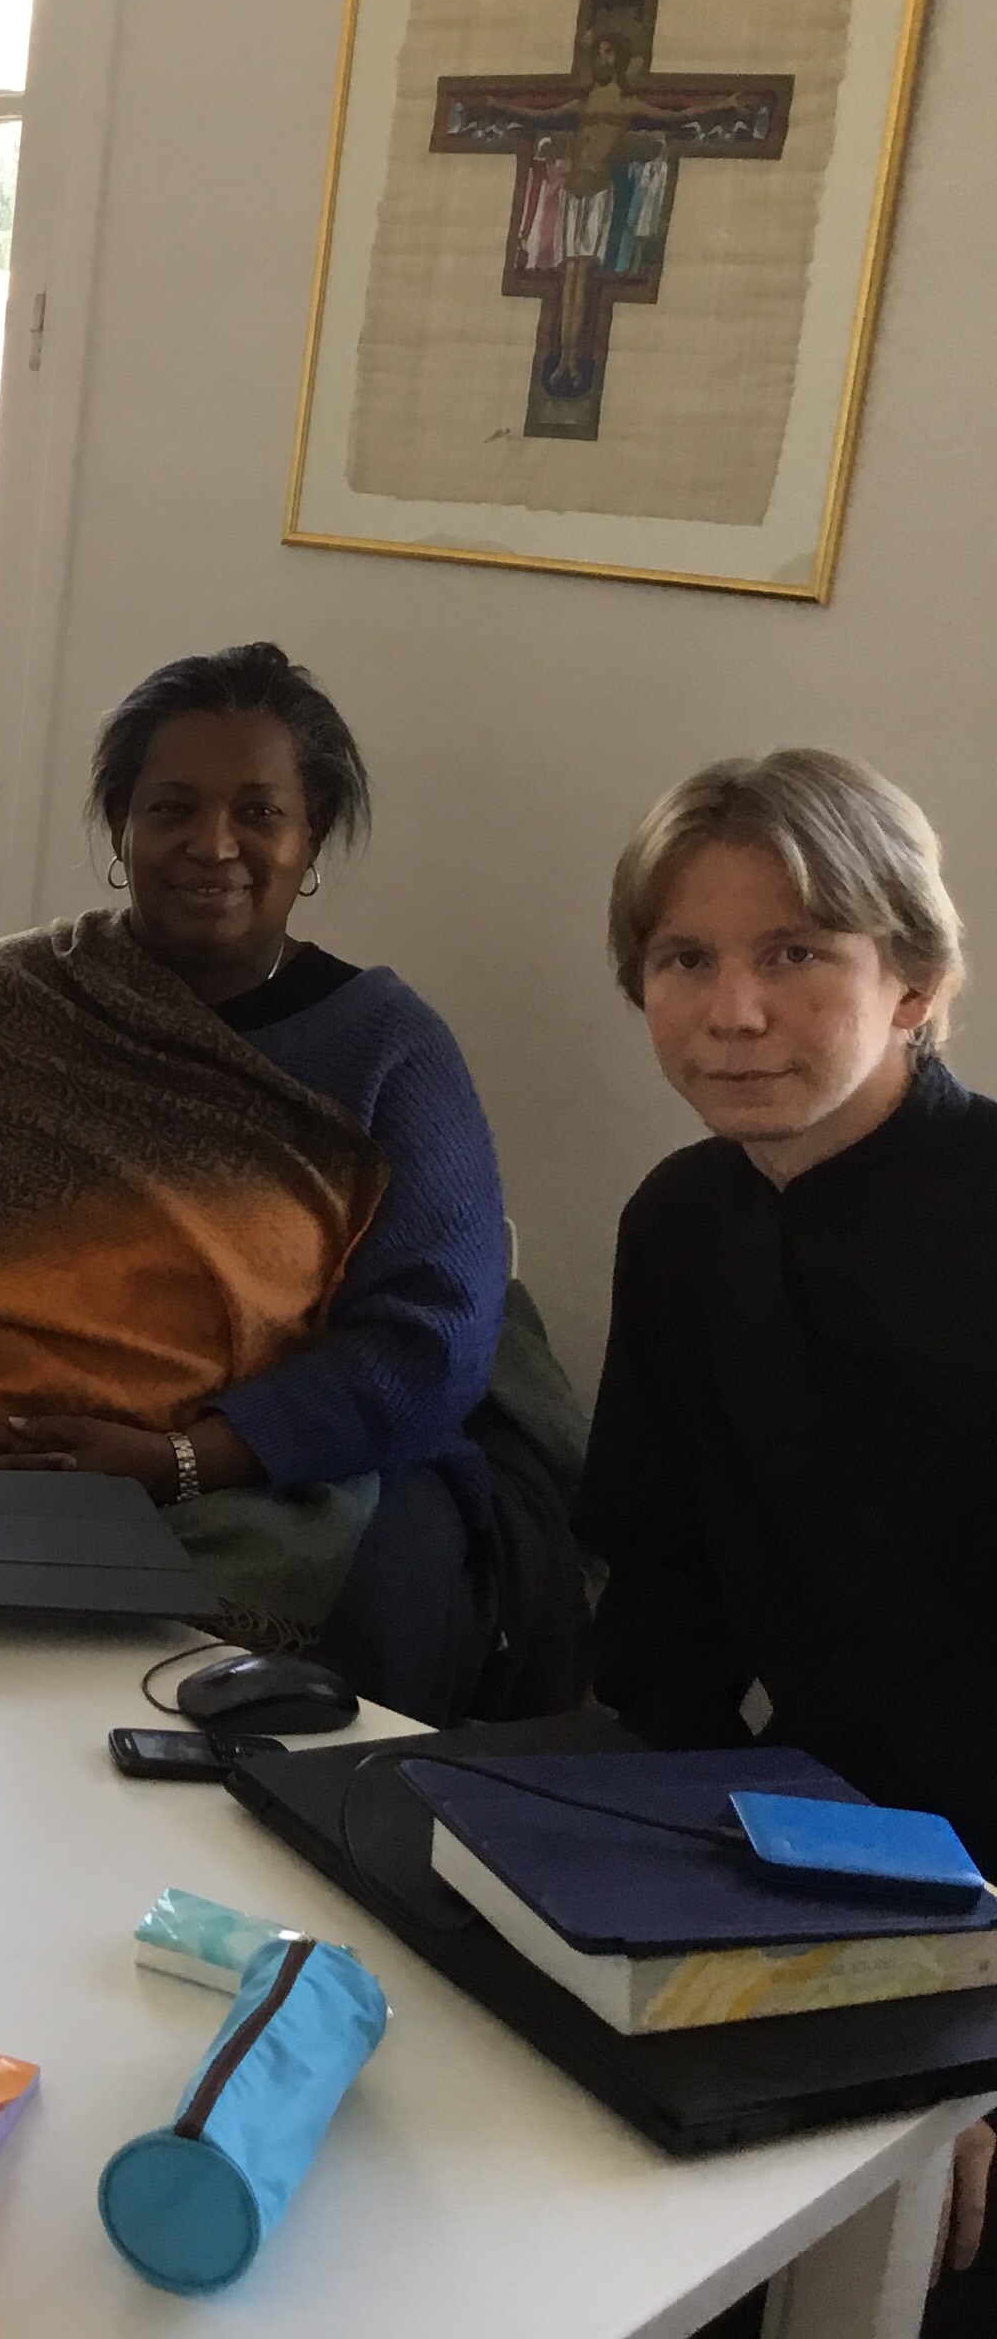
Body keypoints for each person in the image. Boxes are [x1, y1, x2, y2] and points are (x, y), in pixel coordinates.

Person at [0, 644, 521, 1720]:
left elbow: (434, 1342)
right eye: (172, 809)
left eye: (260, 813)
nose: (214, 846)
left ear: (312, 840)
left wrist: (182, 1459)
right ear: (121, 828)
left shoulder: (389, 1053)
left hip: (230, 1497)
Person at [578, 751, 994, 2324]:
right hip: (799, 1860)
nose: (732, 1012)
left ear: (919, 984)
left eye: (797, 954)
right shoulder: (681, 1220)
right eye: (687, 960)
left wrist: (975, 2058)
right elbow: (659, 1603)